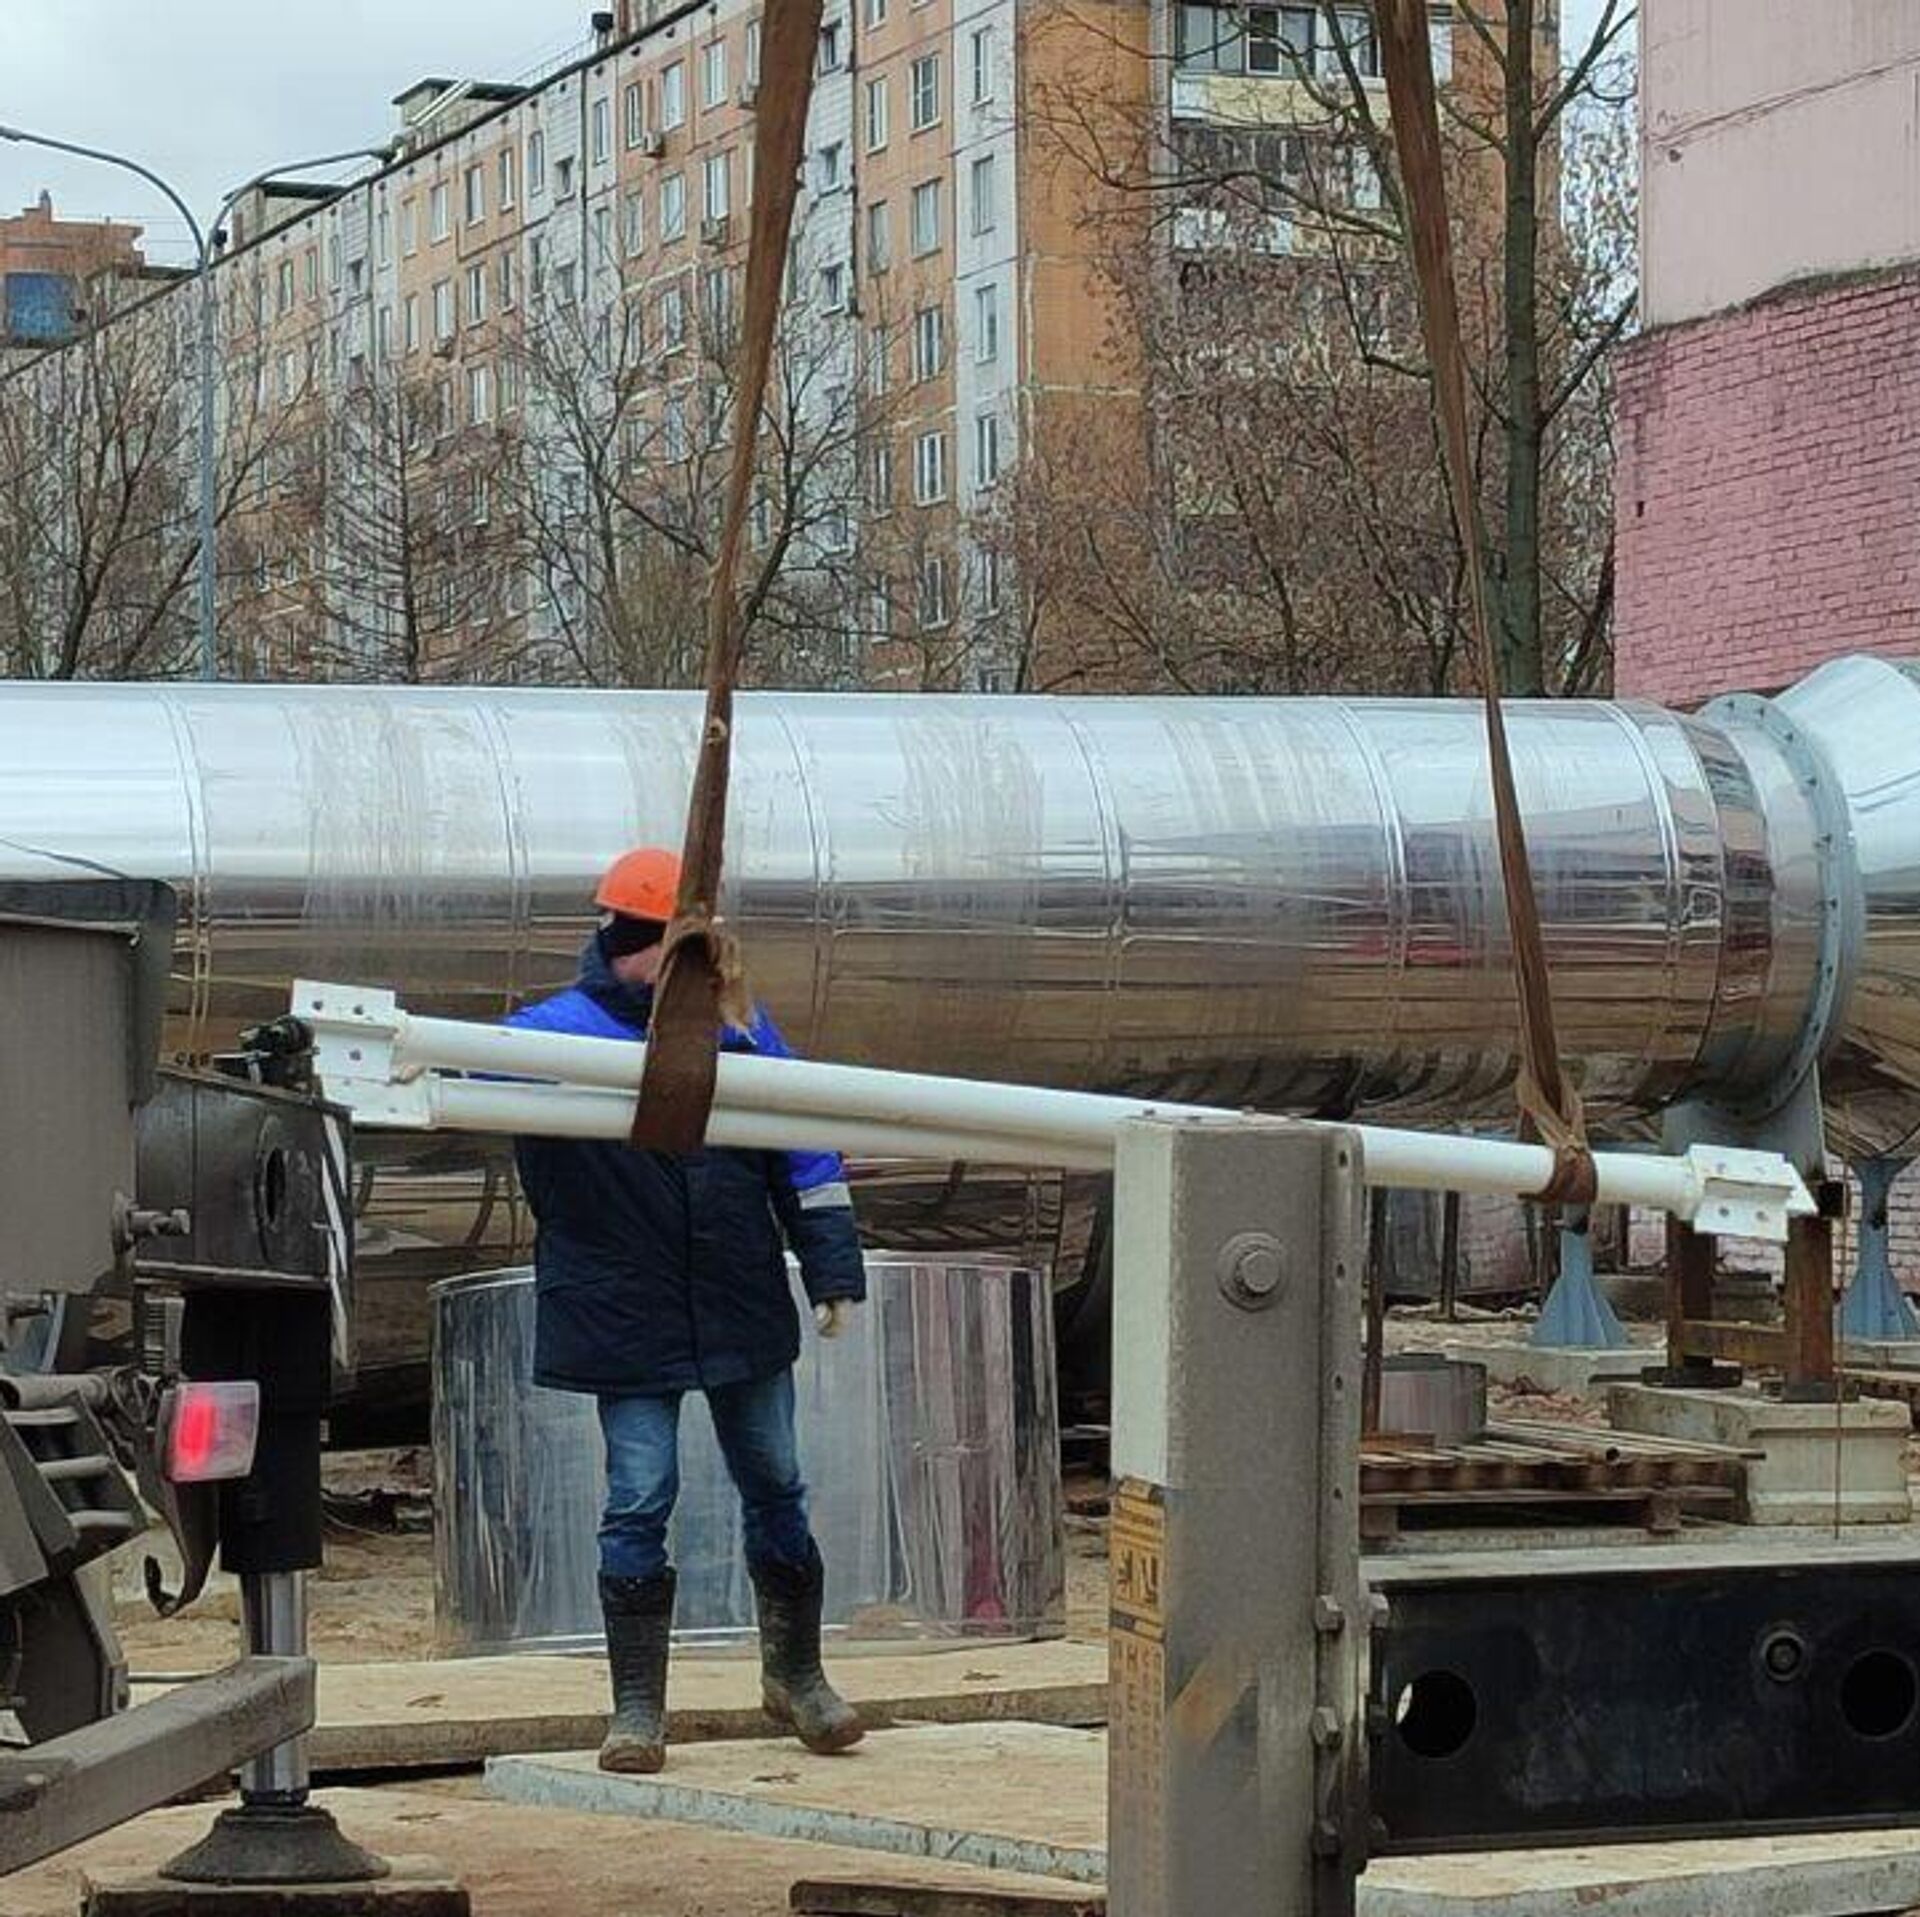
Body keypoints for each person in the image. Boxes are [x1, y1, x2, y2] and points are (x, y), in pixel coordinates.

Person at [506, 845, 867, 1774]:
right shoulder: (553, 1037)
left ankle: (797, 1677)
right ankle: (637, 1711)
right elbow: (473, 1083)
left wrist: (831, 1266)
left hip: (736, 1297)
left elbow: (805, 1149)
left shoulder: (740, 1030)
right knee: (639, 1497)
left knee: (777, 1482)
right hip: (626, 1314)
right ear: (627, 944)